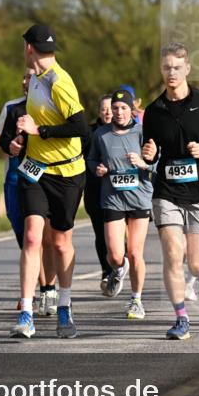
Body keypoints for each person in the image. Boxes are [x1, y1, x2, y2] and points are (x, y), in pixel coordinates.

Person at [0, 24, 89, 339]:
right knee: (33, 238)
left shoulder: (59, 82)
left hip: (67, 174)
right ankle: (26, 311)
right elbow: (33, 126)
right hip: (35, 171)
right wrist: (18, 143)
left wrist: (41, 132)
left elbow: (82, 128)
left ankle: (64, 306)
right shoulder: (35, 80)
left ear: (29, 49)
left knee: (61, 241)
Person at [141, 42, 199, 340]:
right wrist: (148, 153)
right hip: (166, 190)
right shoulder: (154, 111)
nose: (172, 73)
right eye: (167, 67)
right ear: (161, 70)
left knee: (196, 262)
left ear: (187, 69)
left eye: (177, 68)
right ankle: (181, 318)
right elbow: (151, 153)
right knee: (172, 253)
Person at [0, 68, 59, 316]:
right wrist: (10, 146)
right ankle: (36, 288)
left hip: (47, 176)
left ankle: (46, 291)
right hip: (17, 174)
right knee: (25, 236)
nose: (25, 81)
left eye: (31, 77)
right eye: (24, 77)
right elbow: (0, 138)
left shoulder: (54, 107)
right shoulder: (12, 107)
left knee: (44, 238)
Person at [87, 88, 155, 319]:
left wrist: (144, 164)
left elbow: (158, 161)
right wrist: (98, 168)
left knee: (135, 252)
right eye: (115, 108)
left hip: (139, 196)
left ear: (131, 110)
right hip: (113, 197)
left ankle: (136, 300)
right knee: (115, 255)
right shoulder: (101, 135)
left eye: (123, 108)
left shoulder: (143, 132)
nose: (118, 112)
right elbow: (92, 159)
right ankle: (119, 269)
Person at [84, 94, 115, 293]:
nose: (108, 112)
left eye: (112, 108)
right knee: (100, 234)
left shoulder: (131, 132)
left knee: (119, 235)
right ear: (98, 112)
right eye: (104, 108)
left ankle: (121, 263)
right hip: (95, 190)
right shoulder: (89, 132)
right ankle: (106, 271)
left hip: (122, 192)